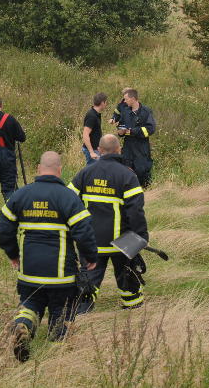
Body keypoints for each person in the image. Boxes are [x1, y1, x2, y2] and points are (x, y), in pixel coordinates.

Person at [0, 151, 98, 362]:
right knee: (61, 312)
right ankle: (55, 359)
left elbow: (5, 227)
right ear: (59, 170)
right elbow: (84, 232)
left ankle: (23, 325)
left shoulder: (21, 195)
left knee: (30, 304)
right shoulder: (68, 197)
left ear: (38, 168)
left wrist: (13, 254)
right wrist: (90, 257)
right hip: (61, 275)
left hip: (29, 273)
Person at [69, 134, 148, 312]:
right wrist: (141, 237)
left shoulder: (85, 172)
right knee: (127, 275)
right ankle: (133, 307)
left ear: (99, 150)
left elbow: (67, 199)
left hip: (91, 241)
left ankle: (80, 312)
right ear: (119, 150)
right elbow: (135, 211)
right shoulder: (127, 175)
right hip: (122, 243)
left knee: (89, 280)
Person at [117, 89, 156, 188]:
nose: (124, 101)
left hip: (141, 147)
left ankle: (146, 192)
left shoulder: (146, 111)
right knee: (126, 170)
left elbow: (151, 129)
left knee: (142, 171)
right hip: (128, 147)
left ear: (133, 99)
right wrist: (120, 132)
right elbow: (121, 126)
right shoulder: (125, 111)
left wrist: (133, 131)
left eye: (126, 99)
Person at [82, 92, 108, 165]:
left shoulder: (96, 114)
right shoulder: (92, 116)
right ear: (102, 103)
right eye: (106, 102)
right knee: (92, 172)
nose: (106, 105)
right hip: (92, 150)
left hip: (96, 149)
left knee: (96, 171)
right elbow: (85, 134)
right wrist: (91, 152)